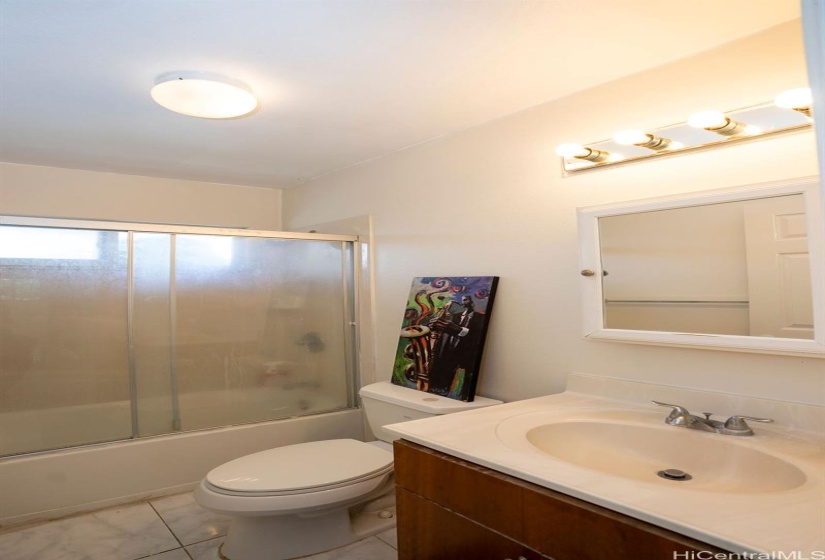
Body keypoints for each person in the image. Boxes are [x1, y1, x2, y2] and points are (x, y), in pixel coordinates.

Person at [427, 295, 486, 399]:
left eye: (466, 300)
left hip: (465, 358)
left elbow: (480, 338)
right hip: (447, 355)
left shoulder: (481, 318)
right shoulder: (455, 316)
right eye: (463, 300)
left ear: (473, 301)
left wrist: (459, 330)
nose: (464, 302)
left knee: (458, 391)